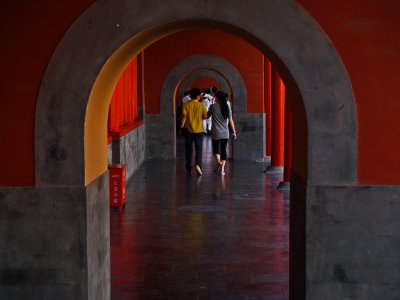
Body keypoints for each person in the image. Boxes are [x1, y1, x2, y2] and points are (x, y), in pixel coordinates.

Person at [207, 90, 237, 175]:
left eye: (215, 97)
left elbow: (206, 116)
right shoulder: (227, 107)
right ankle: (222, 169)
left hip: (216, 132)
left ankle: (220, 163)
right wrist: (234, 132)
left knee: (216, 150)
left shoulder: (213, 106)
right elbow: (231, 120)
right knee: (223, 150)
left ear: (217, 98)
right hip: (225, 132)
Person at [181, 87, 208, 176]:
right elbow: (205, 117)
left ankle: (189, 167)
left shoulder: (185, 105)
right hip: (199, 130)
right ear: (197, 96)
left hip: (188, 130)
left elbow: (184, 117)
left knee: (189, 149)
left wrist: (181, 127)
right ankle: (198, 165)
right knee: (199, 149)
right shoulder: (202, 106)